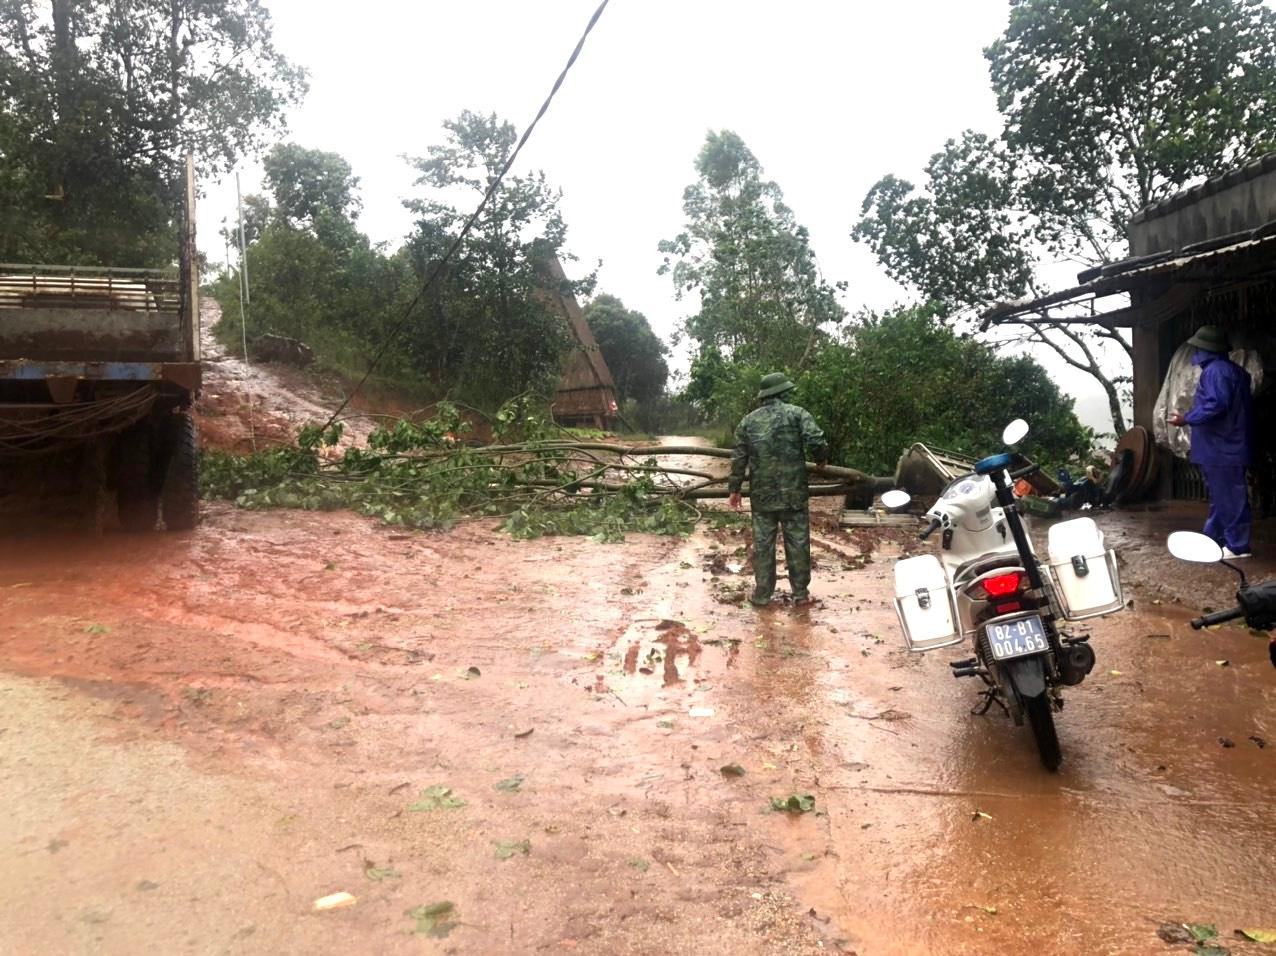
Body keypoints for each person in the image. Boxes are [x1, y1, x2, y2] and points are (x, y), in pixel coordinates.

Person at [727, 373, 828, 607]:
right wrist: (821, 460)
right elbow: (816, 439)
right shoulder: (797, 414)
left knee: (763, 545)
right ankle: (801, 594)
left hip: (762, 496)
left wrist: (734, 489)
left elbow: (739, 458)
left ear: (764, 396)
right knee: (798, 543)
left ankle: (762, 595)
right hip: (794, 494)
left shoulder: (748, 422)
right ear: (782, 393)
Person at [1169, 325, 1254, 559]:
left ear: (1205, 349)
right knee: (1222, 496)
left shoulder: (1215, 371)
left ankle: (1238, 546)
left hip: (1222, 446)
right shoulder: (1234, 370)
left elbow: (1216, 404)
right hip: (1227, 445)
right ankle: (1213, 537)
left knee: (1230, 498)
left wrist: (1186, 418)